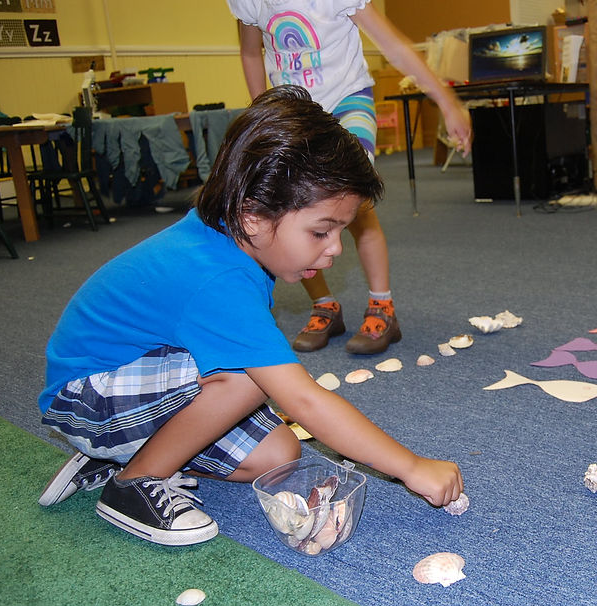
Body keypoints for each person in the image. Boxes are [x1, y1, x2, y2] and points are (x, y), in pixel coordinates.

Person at [37, 85, 463, 547]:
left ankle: (119, 454)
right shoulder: (217, 278)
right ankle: (133, 483)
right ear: (254, 215)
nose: (336, 249)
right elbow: (305, 401)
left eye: (341, 230)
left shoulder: (230, 232)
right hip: (83, 400)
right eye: (322, 231)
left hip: (134, 382)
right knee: (247, 377)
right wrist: (410, 467)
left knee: (280, 453)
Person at [228, 0, 472, 355]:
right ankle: (325, 304)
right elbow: (251, 53)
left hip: (348, 100)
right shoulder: (249, 2)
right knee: (293, 210)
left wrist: (446, 101)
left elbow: (393, 45)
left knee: (350, 200)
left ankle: (382, 305)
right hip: (296, 113)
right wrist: (262, 114)